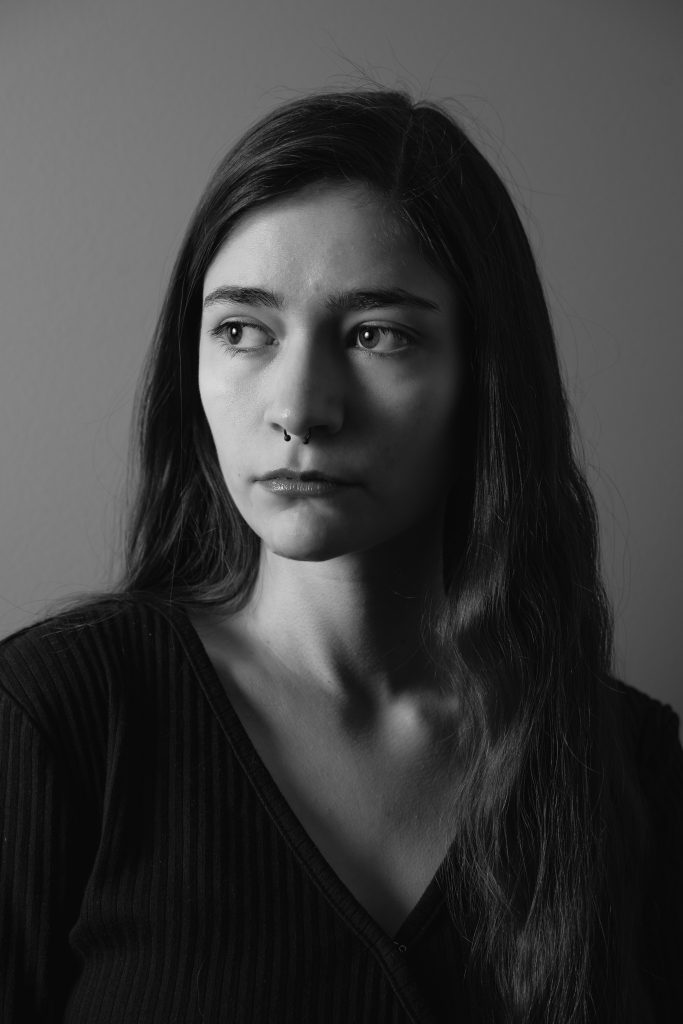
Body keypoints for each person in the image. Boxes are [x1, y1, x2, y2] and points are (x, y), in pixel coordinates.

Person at [0, 89, 681, 1024]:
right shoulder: (59, 718)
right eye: (242, 330)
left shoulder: (625, 766)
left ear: (481, 378)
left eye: (375, 335)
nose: (299, 407)